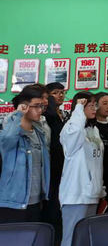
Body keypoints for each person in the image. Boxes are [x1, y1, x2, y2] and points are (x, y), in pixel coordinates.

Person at [59, 93, 104, 246]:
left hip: (92, 194)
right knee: (71, 240)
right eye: (90, 105)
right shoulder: (70, 129)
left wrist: (99, 188)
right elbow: (75, 133)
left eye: (95, 105)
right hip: (75, 195)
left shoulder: (93, 130)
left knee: (86, 240)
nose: (94, 108)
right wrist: (78, 108)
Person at [0, 88, 50, 223]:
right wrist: (18, 114)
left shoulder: (39, 132)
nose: (40, 110)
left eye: (41, 106)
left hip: (35, 199)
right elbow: (7, 140)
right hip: (13, 201)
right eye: (36, 106)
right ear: (24, 107)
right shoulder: (11, 132)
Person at [44, 82, 67, 244]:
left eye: (62, 92)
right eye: (55, 93)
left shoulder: (64, 115)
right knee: (51, 206)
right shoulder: (47, 116)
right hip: (51, 165)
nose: (60, 95)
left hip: (64, 164)